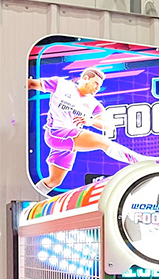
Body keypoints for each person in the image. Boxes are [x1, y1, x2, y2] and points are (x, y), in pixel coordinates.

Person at [28, 68, 151, 196]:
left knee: (54, 181)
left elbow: (109, 126)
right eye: (96, 83)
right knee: (103, 142)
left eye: (100, 85)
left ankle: (31, 199)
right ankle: (143, 161)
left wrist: (91, 121)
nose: (98, 88)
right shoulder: (61, 84)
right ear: (85, 78)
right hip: (56, 133)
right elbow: (30, 84)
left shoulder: (93, 104)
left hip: (69, 141)